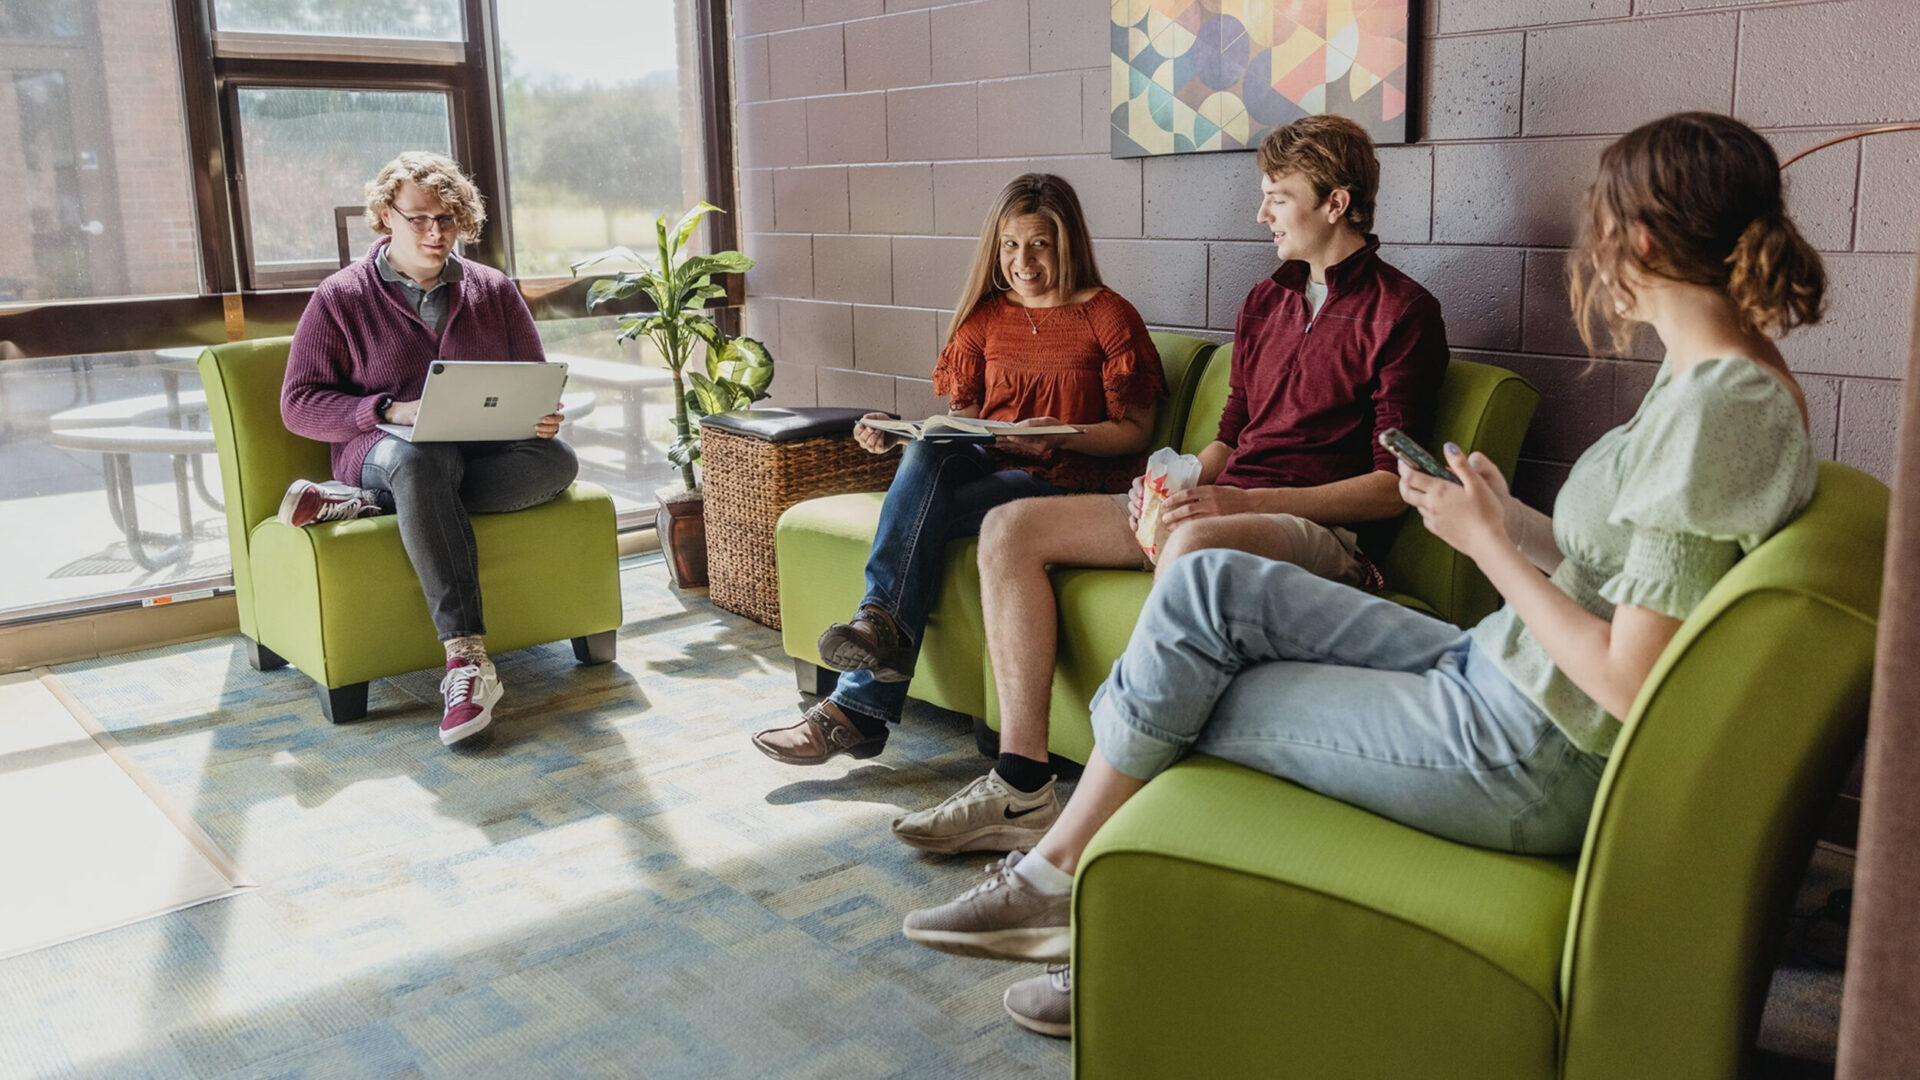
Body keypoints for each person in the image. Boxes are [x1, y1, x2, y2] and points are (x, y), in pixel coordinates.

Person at [899, 110, 1826, 1040]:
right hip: (1492, 669)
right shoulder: (1704, 379)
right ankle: (1054, 869)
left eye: (1600, 225)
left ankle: (1095, 918)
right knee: (1205, 597)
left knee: (1197, 692)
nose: (1590, 252)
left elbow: (1630, 682)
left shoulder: (1720, 409)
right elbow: (1610, 563)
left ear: (1645, 239)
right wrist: (1501, 517)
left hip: (1526, 747)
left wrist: (1488, 545)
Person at [889, 114, 1450, 855]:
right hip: (1227, 504)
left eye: (1278, 197)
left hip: (1323, 532)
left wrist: (1239, 503)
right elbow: (1227, 441)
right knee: (1010, 528)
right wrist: (1172, 482)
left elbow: (1390, 488)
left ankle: (1138, 799)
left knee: (1195, 538)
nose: (1262, 214)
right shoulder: (1264, 302)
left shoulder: (1404, 313)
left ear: (1336, 204)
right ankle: (1023, 781)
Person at [751, 174, 1165, 765]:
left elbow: (1136, 432)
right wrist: (895, 434)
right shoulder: (988, 316)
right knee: (926, 450)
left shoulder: (1109, 316)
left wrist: (1058, 432)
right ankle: (874, 631)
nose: (1023, 261)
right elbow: (962, 417)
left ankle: (860, 697)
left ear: (1067, 241)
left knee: (922, 518)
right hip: (988, 462)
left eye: (1040, 244)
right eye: (1010, 246)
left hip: (1059, 480)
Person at [278, 150, 574, 748]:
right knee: (421, 460)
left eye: (447, 219)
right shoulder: (340, 297)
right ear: (386, 214)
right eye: (419, 219)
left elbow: (529, 377)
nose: (435, 233)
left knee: (557, 462)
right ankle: (466, 660)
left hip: (477, 449)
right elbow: (298, 404)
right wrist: (388, 411)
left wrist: (537, 417)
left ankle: (361, 504)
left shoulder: (493, 290)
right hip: (384, 450)